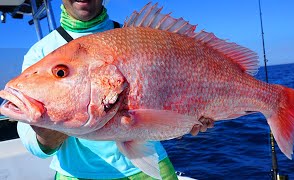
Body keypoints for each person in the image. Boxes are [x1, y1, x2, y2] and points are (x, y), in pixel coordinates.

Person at [17, 1, 214, 179]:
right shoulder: (40, 52)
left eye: (61, 72)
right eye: (60, 73)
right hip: (75, 174)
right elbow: (34, 143)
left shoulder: (139, 34)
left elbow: (165, 117)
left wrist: (181, 124)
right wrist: (46, 130)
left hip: (148, 169)